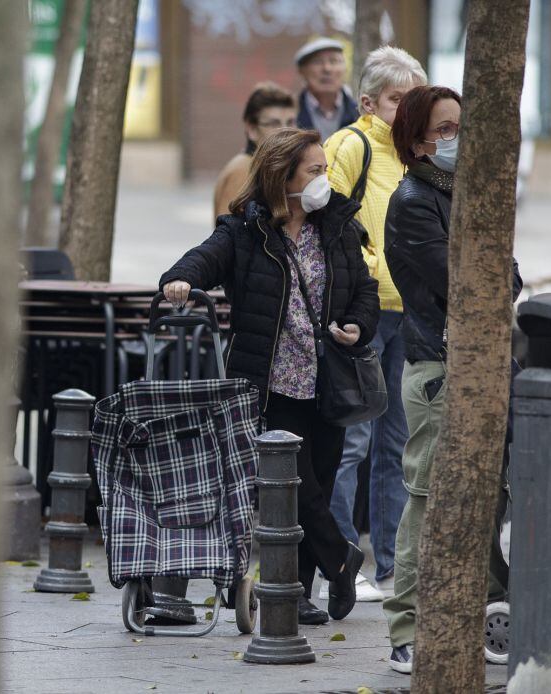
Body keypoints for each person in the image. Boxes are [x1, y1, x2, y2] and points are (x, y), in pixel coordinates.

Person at [161, 128, 380, 625]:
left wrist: (357, 326)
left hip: (328, 376)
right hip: (270, 380)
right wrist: (180, 280)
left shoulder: (338, 225)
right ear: (284, 176)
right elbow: (202, 259)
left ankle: (297, 592)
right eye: (315, 170)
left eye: (324, 169)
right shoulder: (245, 229)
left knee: (316, 485)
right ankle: (341, 559)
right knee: (289, 484)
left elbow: (363, 291)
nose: (324, 178)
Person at [382, 85, 522, 674]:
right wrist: (494, 280)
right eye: (443, 129)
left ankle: (491, 610)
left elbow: (507, 278)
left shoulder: (470, 195)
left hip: (485, 364)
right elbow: (463, 281)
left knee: (488, 496)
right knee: (430, 496)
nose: (456, 138)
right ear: (417, 143)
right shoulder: (415, 199)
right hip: (439, 367)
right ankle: (407, 627)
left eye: (461, 125)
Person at [320, 46, 428, 604]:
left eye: (414, 100)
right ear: (368, 102)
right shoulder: (350, 145)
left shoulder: (420, 157)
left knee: (397, 444)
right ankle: (340, 560)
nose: (407, 109)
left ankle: (390, 563)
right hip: (360, 315)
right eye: (396, 100)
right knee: (352, 443)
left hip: (408, 313)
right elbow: (325, 222)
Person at [213, 82, 296, 225]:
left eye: (290, 122)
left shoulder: (262, 167)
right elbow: (226, 238)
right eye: (274, 123)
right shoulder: (244, 170)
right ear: (251, 129)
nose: (285, 131)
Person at [294, 38, 358, 142]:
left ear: (345, 68)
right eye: (317, 62)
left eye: (334, 61)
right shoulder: (290, 115)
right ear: (302, 71)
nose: (327, 69)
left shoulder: (360, 113)